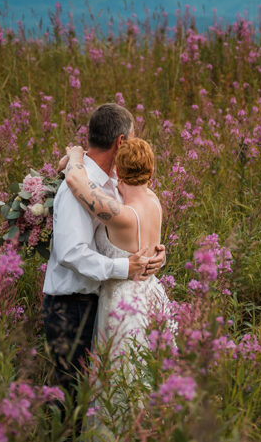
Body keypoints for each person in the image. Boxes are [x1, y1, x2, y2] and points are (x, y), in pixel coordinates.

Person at [41, 103, 165, 435]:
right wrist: (124, 267)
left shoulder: (109, 183)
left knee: (111, 389)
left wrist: (155, 255)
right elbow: (71, 252)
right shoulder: (77, 188)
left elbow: (131, 233)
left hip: (103, 303)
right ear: (121, 142)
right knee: (75, 402)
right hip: (71, 306)